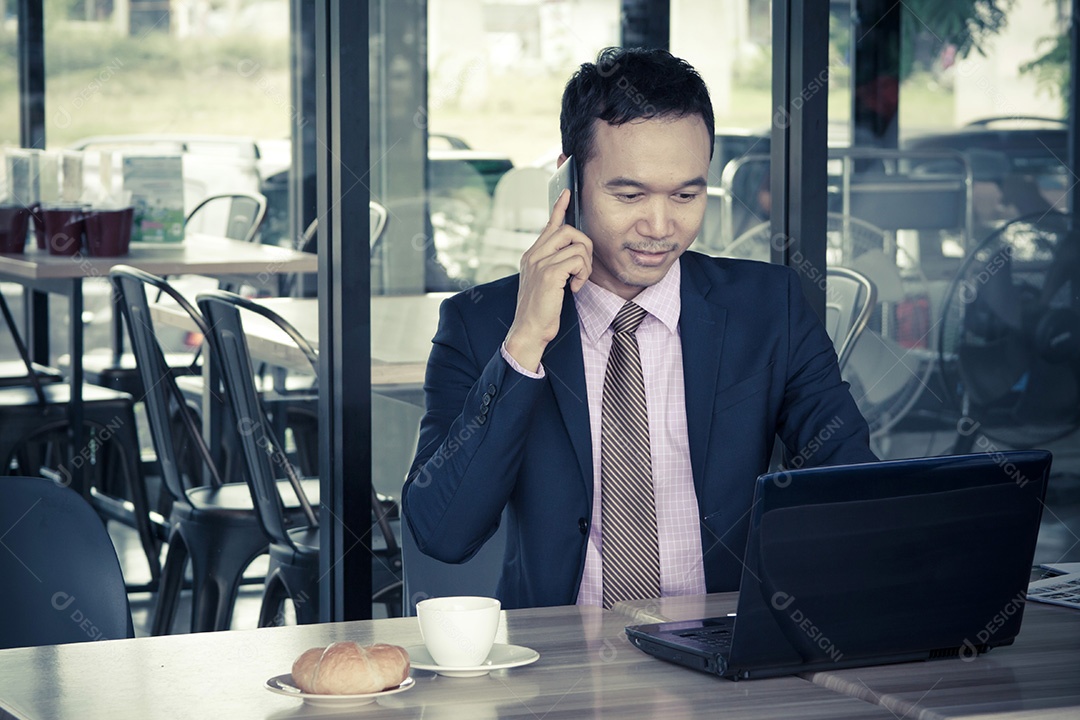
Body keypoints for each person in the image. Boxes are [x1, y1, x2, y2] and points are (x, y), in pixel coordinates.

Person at [402, 47, 877, 610]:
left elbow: (853, 490)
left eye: (686, 194)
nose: (659, 226)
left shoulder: (769, 308)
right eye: (628, 195)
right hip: (559, 663)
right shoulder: (481, 322)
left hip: (727, 651)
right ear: (568, 184)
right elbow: (442, 534)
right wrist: (524, 345)